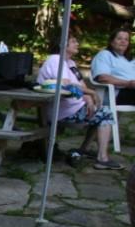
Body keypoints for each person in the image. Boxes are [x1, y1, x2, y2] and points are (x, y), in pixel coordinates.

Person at [38, 35, 123, 170]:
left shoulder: (70, 63)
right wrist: (91, 93)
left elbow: (80, 85)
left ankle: (84, 150)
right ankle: (102, 158)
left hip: (73, 107)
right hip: (60, 111)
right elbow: (67, 84)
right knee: (105, 113)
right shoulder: (56, 60)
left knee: (100, 111)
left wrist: (87, 96)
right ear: (62, 44)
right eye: (73, 41)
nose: (77, 44)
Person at [91, 27, 135, 106]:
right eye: (119, 38)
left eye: (126, 39)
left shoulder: (130, 59)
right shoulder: (105, 55)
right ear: (111, 42)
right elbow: (102, 78)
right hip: (117, 94)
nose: (123, 41)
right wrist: (128, 83)